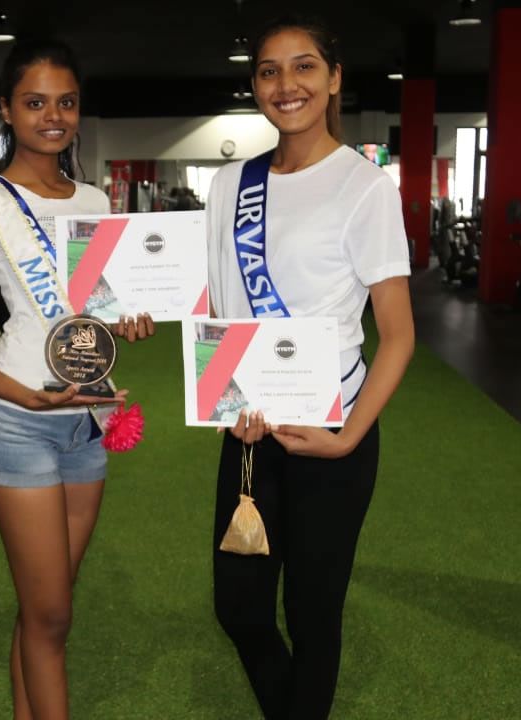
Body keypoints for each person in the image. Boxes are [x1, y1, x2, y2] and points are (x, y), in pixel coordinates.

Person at [0, 38, 153, 720]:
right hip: (18, 421)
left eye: (65, 102)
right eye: (34, 102)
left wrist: (127, 323)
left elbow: (94, 315)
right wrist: (23, 393)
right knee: (50, 615)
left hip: (87, 422)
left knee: (47, 607)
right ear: (6, 111)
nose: (51, 116)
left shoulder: (93, 197)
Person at [204, 16, 414, 720]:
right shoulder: (230, 184)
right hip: (249, 433)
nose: (285, 84)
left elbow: (398, 334)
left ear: (333, 79)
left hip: (332, 435)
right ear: (255, 84)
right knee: (239, 606)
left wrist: (350, 435)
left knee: (313, 612)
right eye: (268, 70)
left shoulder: (363, 186)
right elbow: (211, 300)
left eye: (303, 67)